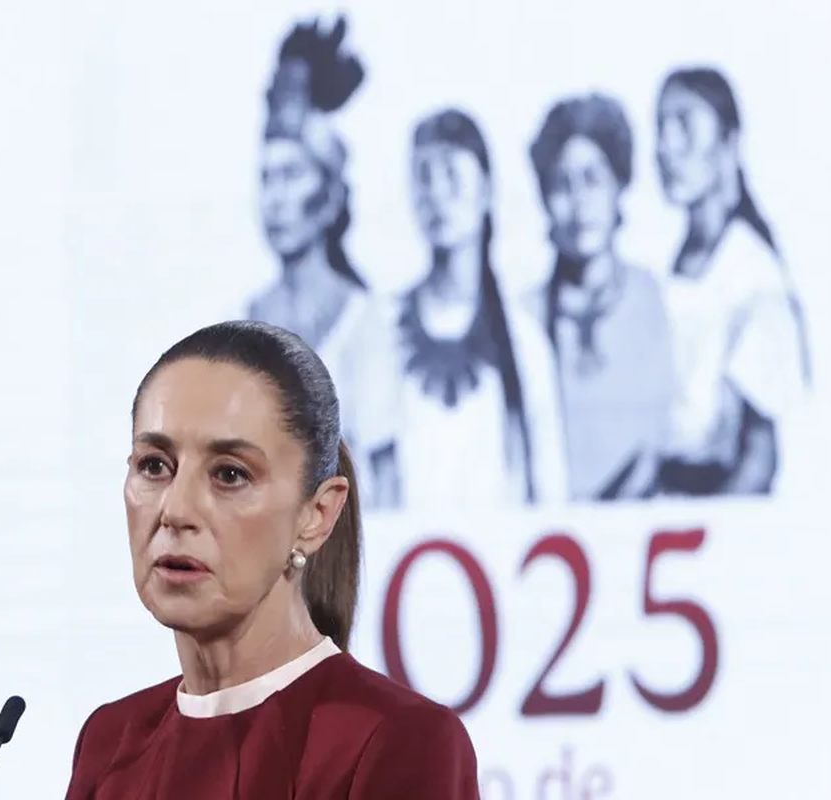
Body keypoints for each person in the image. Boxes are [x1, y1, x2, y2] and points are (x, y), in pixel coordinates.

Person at [63, 320, 480, 799]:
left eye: (229, 474)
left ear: (317, 514)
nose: (175, 511)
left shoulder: (398, 740)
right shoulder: (111, 740)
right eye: (154, 465)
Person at [246, 16, 400, 507]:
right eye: (267, 179)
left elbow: (387, 481)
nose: (276, 198)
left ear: (329, 196)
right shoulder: (242, 319)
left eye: (292, 175)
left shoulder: (363, 320)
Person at [387, 107, 567, 507]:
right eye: (424, 177)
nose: (436, 194)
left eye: (451, 176)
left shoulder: (524, 343)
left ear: (485, 190)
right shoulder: (383, 331)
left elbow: (551, 493)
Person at [653, 66, 811, 496]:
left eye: (684, 126)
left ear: (729, 142)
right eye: (661, 129)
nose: (666, 148)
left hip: (716, 504)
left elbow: (759, 456)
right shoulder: (678, 265)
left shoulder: (751, 274)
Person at [526, 93, 675, 501]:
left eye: (593, 179)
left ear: (618, 185)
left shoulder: (658, 301)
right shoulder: (525, 319)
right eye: (562, 185)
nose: (579, 204)